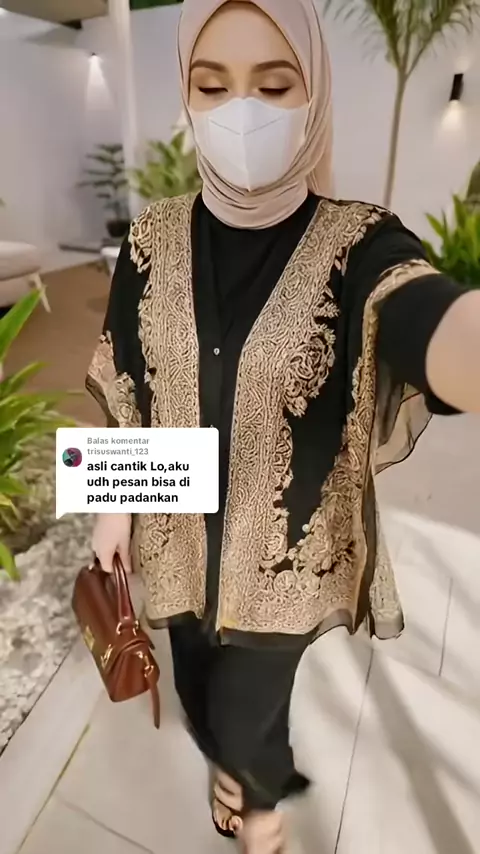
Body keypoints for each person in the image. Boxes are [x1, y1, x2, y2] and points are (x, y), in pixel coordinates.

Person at [86, 1, 480, 851]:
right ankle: (231, 764)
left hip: (283, 568)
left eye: (273, 85)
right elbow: (129, 380)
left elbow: (428, 317)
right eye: (212, 86)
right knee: (198, 690)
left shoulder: (357, 245)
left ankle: (259, 808)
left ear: (314, 92)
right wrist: (113, 506)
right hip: (176, 539)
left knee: (246, 711)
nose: (242, 111)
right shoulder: (152, 238)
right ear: (187, 94)